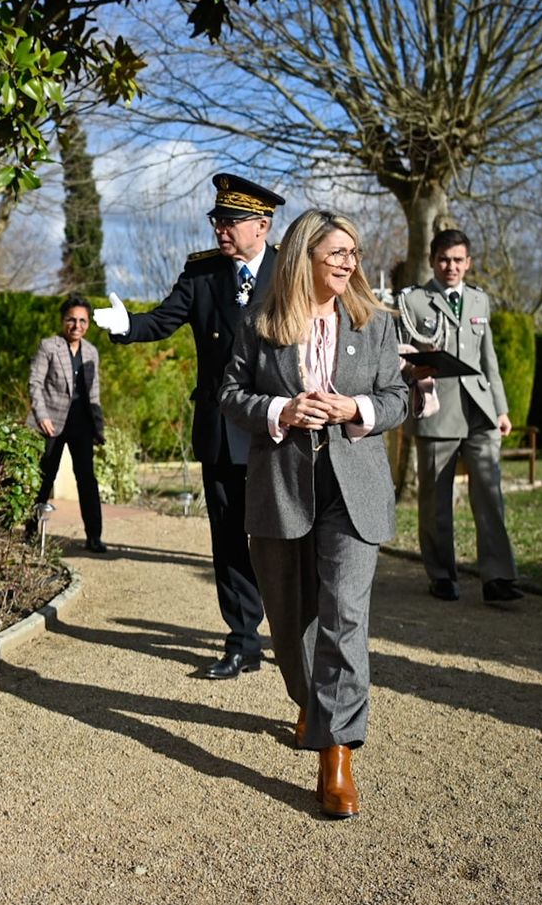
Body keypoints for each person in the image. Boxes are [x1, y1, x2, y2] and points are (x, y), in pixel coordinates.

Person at [218, 209, 409, 818]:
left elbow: (399, 396)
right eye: (336, 253)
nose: (348, 263)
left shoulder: (373, 323)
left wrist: (355, 407)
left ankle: (338, 751)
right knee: (291, 616)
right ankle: (311, 703)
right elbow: (229, 395)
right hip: (283, 486)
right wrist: (281, 410)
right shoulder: (261, 322)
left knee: (345, 614)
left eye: (353, 252)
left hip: (354, 486)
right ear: (305, 257)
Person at [93, 172, 278, 679]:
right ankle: (242, 642)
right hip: (221, 427)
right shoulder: (201, 275)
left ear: (261, 225)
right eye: (217, 220)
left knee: (283, 535)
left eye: (231, 221)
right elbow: (164, 320)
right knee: (228, 537)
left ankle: (293, 633)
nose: (221, 229)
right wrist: (128, 325)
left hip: (277, 428)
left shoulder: (291, 271)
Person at [396, 228, 523, 603]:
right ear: (433, 261)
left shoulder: (480, 302)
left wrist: (501, 408)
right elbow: (402, 357)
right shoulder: (414, 301)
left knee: (489, 494)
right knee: (436, 499)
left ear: (468, 263)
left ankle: (498, 577)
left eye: (458, 260)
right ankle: (441, 573)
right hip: (437, 410)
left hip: (480, 411)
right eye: (444, 260)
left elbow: (490, 360)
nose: (451, 267)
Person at [26, 295, 106, 551]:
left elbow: (94, 394)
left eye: (82, 320)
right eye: (71, 319)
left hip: (81, 425)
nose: (77, 325)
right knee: (44, 477)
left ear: (88, 324)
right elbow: (35, 383)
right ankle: (30, 531)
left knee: (87, 479)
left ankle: (94, 536)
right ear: (63, 321)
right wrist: (41, 416)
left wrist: (98, 428)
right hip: (51, 423)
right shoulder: (49, 346)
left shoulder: (92, 352)